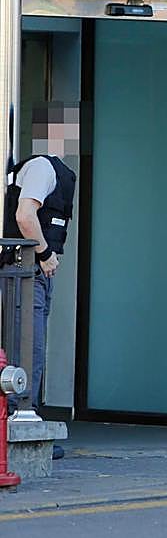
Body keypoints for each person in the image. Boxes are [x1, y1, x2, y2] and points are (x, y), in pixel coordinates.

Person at [4, 105, 78, 462]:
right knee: (27, 344)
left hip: (31, 272)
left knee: (30, 344)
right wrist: (46, 254)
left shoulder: (52, 170)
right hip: (25, 270)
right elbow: (24, 214)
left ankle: (23, 415)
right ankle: (21, 418)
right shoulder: (43, 168)